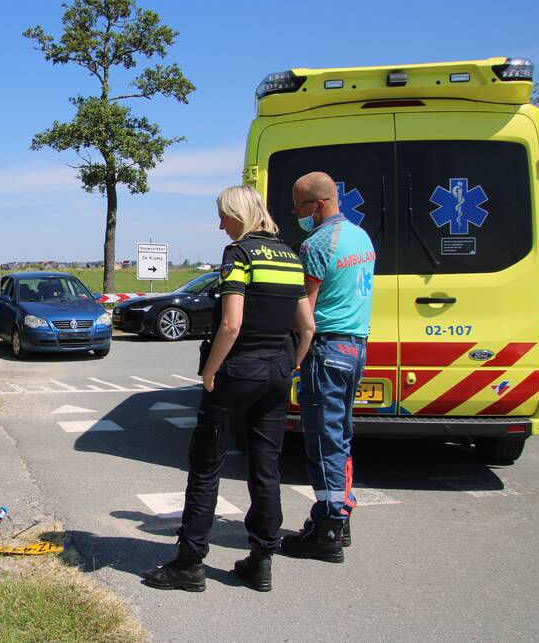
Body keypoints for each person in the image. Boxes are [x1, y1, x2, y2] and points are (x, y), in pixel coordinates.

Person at [144, 186, 314, 593]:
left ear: (240, 215)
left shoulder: (239, 255)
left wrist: (211, 371)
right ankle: (261, 559)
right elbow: (306, 326)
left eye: (224, 216)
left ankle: (189, 563)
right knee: (265, 468)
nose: (220, 224)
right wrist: (292, 363)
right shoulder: (291, 256)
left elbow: (231, 324)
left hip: (238, 369)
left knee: (206, 466)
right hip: (277, 370)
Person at [281, 171, 376, 563]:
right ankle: (341, 514)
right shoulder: (361, 236)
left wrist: (290, 352)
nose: (296, 212)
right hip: (356, 347)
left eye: (299, 205)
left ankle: (328, 529)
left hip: (326, 348)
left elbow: (306, 307)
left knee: (322, 442)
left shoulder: (317, 243)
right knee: (341, 436)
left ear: (318, 204)